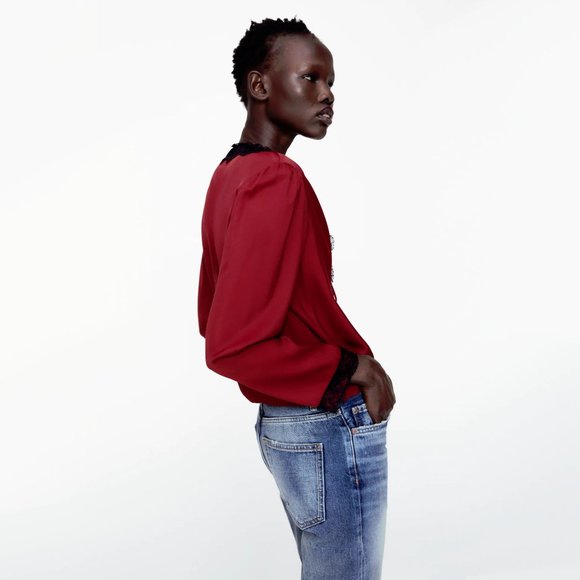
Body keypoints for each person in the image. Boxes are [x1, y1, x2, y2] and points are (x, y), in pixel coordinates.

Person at [197, 17, 396, 580]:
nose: (327, 94)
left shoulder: (230, 175)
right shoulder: (275, 179)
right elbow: (227, 344)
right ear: (260, 85)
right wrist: (352, 368)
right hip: (323, 422)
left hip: (289, 423)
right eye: (310, 78)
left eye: (330, 82)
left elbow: (212, 317)